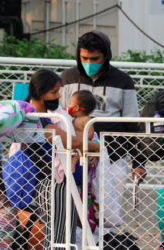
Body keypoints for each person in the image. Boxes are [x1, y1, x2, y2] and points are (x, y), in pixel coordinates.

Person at [60, 30, 146, 183]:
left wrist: (139, 163)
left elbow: (133, 125)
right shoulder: (67, 79)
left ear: (106, 56)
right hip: (75, 157)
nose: (89, 63)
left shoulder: (123, 81)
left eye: (95, 59)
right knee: (75, 205)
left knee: (110, 206)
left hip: (113, 158)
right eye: (84, 58)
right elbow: (59, 118)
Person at [26, 69, 99, 249]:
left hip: (50, 179)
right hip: (52, 180)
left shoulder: (51, 113)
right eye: (54, 92)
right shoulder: (36, 117)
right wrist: (98, 147)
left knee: (59, 231)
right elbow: (70, 141)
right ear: (40, 93)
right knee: (59, 234)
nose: (58, 96)